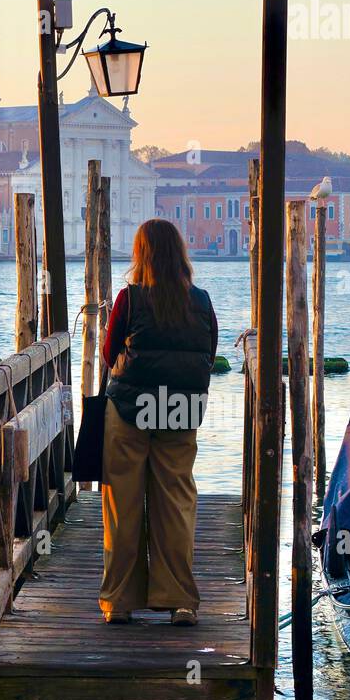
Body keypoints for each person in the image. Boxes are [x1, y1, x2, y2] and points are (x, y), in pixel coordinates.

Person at [99, 219, 218, 627]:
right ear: (179, 255)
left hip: (129, 410)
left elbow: (108, 351)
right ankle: (180, 601)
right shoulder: (201, 301)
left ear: (141, 255)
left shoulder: (128, 300)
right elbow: (210, 352)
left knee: (123, 505)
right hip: (180, 411)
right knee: (176, 503)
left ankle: (118, 601)